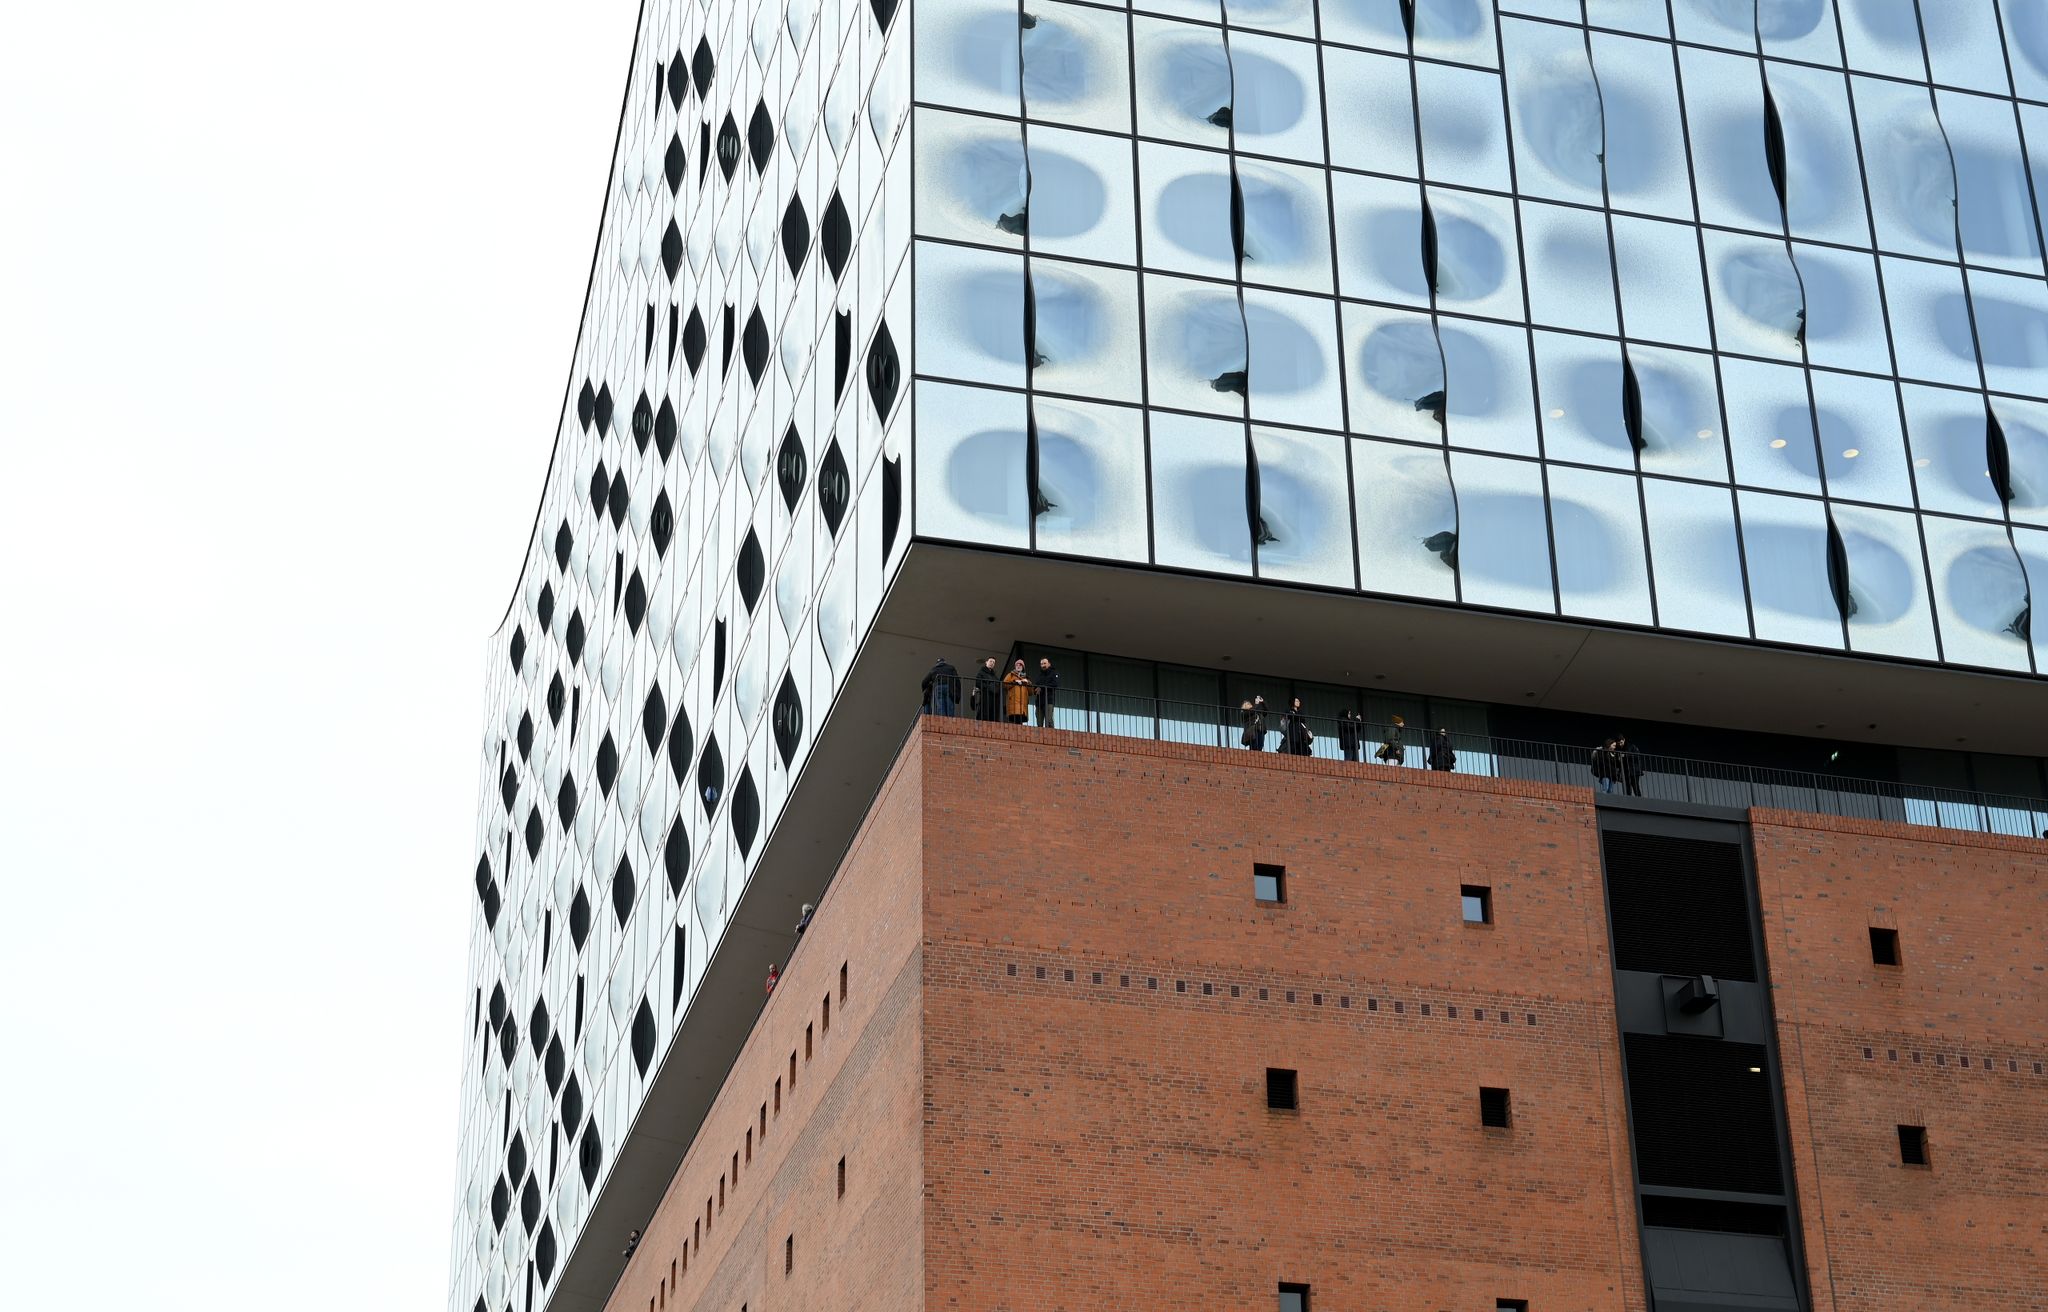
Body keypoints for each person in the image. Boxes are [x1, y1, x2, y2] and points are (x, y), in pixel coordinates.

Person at [1002, 659, 1033, 724]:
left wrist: (1027, 683)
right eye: (1017, 665)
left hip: (1023, 706)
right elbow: (1005, 684)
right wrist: (1014, 682)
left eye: (1020, 665)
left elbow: (1031, 692)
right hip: (1013, 703)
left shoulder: (1026, 678)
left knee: (1019, 724)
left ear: (1023, 667)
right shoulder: (1010, 675)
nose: (1018, 666)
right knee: (1013, 722)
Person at [1032, 656, 1060, 727]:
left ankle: (1051, 736)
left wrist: (1041, 687)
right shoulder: (1039, 676)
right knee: (1039, 722)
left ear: (1049, 664)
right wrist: (1035, 690)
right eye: (1041, 664)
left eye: (1044, 663)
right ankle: (1040, 738)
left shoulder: (1054, 673)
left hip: (1048, 701)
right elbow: (1035, 687)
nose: (1043, 665)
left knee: (1049, 721)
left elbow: (1055, 684)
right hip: (1039, 702)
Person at [972, 657, 1001, 722]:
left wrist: (995, 689)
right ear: (986, 662)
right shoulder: (981, 672)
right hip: (985, 697)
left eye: (993, 662)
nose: (992, 663)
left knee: (993, 716)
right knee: (984, 714)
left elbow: (998, 685)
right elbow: (978, 683)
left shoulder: (994, 676)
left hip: (994, 698)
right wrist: (988, 687)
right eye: (990, 661)